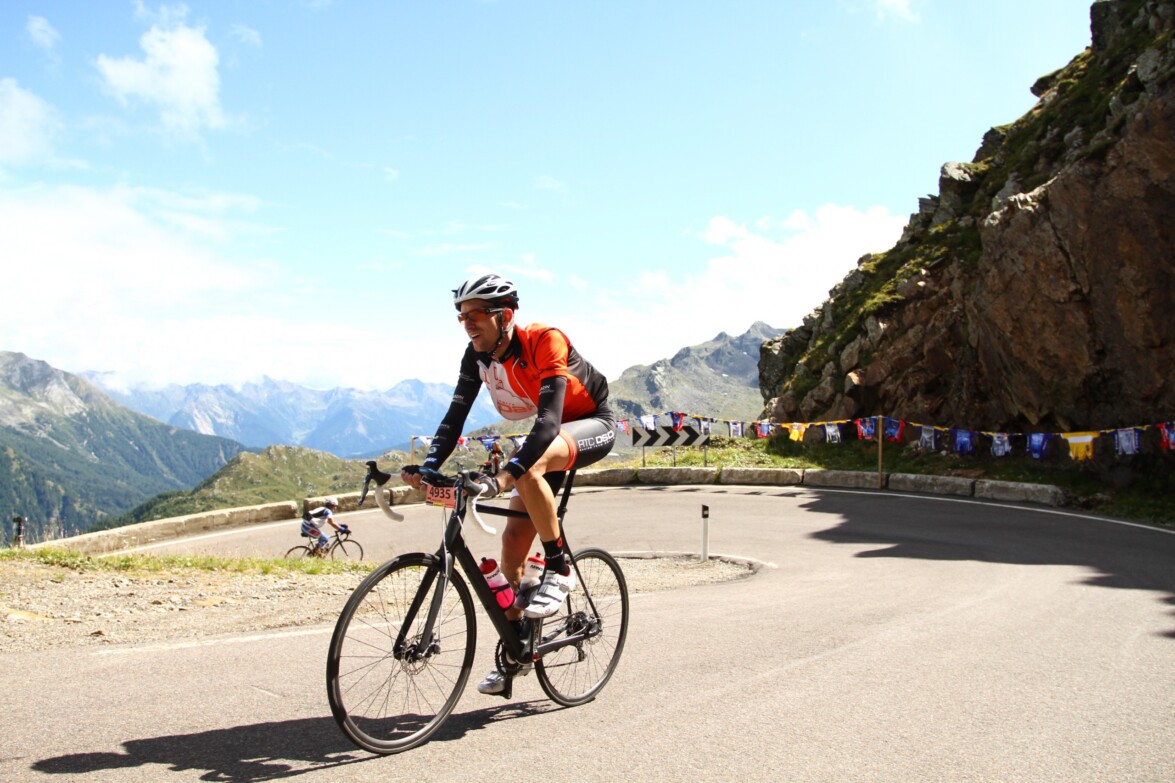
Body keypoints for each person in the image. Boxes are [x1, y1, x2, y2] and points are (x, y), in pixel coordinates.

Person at [400, 272, 615, 695]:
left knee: (528, 469)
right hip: (547, 438)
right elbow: (454, 418)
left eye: (476, 314)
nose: (467, 324)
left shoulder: (545, 340)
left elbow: (548, 423)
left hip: (589, 424)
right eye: (461, 316)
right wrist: (428, 466)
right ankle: (518, 652)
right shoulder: (476, 356)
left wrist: (503, 477)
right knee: (511, 554)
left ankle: (559, 567)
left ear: (506, 315)